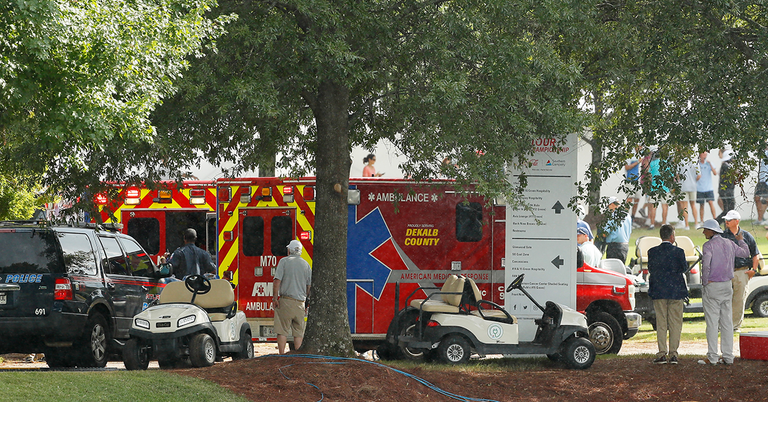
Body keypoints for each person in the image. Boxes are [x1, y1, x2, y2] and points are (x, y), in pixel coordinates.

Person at [698, 219, 750, 366]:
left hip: (713, 285)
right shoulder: (729, 243)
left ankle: (713, 356)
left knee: (712, 322)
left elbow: (706, 265)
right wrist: (741, 240)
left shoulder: (708, 245)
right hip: (727, 285)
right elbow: (745, 252)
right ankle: (728, 356)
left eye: (705, 230)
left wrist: (704, 281)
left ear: (711, 231)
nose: (703, 232)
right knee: (727, 321)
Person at [647, 224, 688, 365]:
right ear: (672, 236)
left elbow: (651, 268)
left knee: (661, 322)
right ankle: (674, 353)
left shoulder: (652, 252)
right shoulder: (679, 252)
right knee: (675, 323)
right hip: (676, 291)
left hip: (659, 290)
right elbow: (684, 268)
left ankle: (662, 352)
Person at [721, 210, 759, 331]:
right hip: (725, 273)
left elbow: (755, 254)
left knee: (739, 300)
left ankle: (734, 326)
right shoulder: (722, 236)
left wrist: (753, 269)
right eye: (726, 220)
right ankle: (722, 326)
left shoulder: (747, 236)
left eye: (729, 220)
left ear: (737, 221)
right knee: (724, 300)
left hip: (742, 271)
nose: (726, 222)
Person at [272, 240, 312, 355]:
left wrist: (275, 298)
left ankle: (281, 354)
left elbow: (277, 281)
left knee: (282, 331)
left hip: (286, 301)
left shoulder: (284, 262)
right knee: (298, 333)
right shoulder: (306, 265)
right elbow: (309, 286)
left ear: (289, 250)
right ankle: (298, 357)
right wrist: (306, 302)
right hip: (300, 302)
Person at [603, 196, 633, 265]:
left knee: (612, 271)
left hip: (614, 247)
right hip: (625, 246)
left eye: (608, 207)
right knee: (620, 270)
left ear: (612, 205)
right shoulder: (627, 215)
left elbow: (605, 233)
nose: (608, 209)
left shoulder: (613, 215)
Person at [676, 159, 699, 229]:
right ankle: (696, 223)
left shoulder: (680, 162)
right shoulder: (695, 162)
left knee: (684, 206)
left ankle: (687, 225)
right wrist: (694, 181)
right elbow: (699, 175)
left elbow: (677, 175)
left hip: (683, 186)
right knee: (693, 205)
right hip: (693, 186)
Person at [696, 151, 718, 223]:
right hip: (700, 188)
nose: (705, 156)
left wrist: (710, 165)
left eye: (706, 154)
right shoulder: (697, 164)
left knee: (711, 203)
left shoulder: (709, 163)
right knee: (701, 205)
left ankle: (715, 219)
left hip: (709, 188)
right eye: (703, 154)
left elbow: (715, 173)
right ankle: (701, 220)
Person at [716, 147, 735, 223]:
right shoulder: (726, 166)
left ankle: (724, 225)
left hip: (728, 190)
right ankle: (717, 222)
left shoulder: (726, 165)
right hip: (726, 191)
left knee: (729, 210)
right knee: (728, 211)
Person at [754, 149, 768, 225]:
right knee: (757, 198)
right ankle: (760, 218)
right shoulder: (764, 153)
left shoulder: (766, 153)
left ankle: (760, 219)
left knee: (766, 200)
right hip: (761, 180)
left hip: (766, 180)